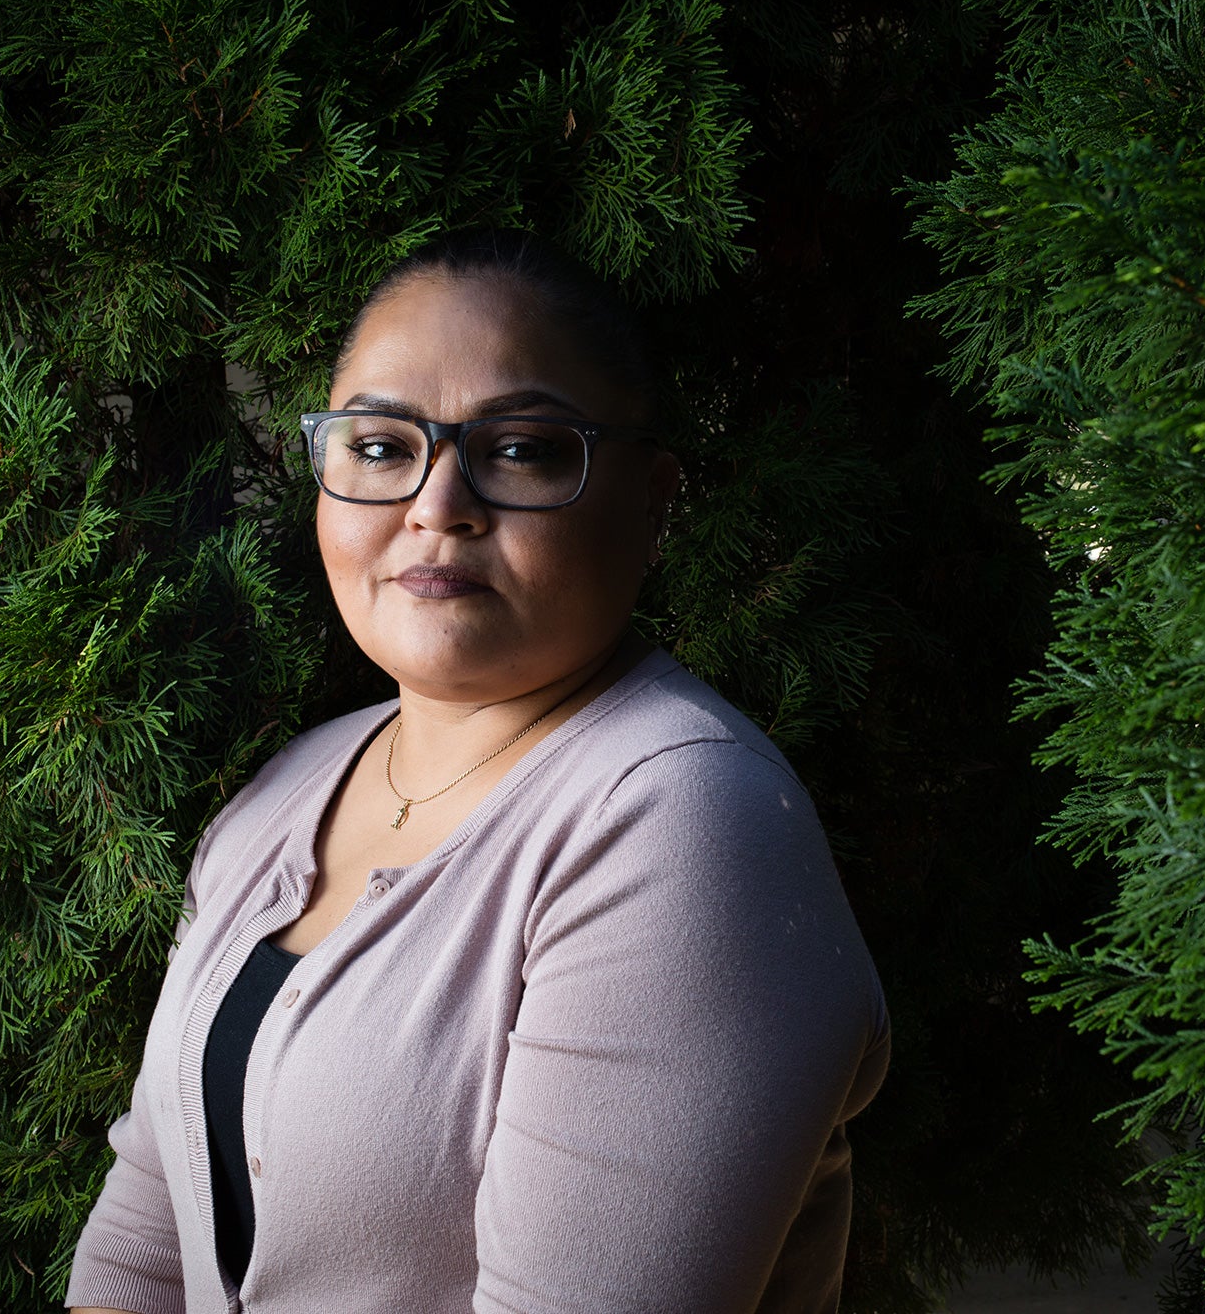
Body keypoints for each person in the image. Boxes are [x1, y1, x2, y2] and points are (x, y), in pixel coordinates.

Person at [63, 230, 890, 1314]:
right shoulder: (285, 795)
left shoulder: (685, 822)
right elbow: (145, 1243)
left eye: (522, 449)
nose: (437, 504)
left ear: (650, 501)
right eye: (377, 446)